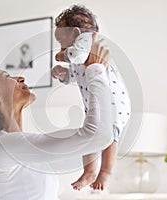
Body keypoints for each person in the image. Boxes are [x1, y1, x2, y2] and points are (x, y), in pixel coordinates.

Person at [0, 33, 113, 200]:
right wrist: (95, 68)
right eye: (6, 76)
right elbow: (99, 135)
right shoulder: (0, 148)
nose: (20, 77)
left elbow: (90, 144)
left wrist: (85, 79)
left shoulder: (16, 149)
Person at [52, 5, 131, 191]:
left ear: (76, 33)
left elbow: (77, 55)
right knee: (89, 136)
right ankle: (89, 171)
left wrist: (61, 56)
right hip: (95, 103)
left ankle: (105, 172)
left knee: (110, 135)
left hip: (114, 102)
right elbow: (76, 75)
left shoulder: (88, 40)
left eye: (61, 40)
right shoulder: (81, 56)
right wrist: (63, 74)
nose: (60, 47)